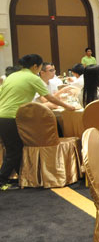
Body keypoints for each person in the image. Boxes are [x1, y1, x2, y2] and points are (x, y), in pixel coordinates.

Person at [0, 54, 76, 190]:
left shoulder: (12, 76)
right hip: (13, 116)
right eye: (40, 66)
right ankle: (2, 180)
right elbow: (48, 98)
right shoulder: (32, 78)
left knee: (16, 148)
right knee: (14, 150)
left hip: (3, 115)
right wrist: (67, 106)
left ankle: (23, 178)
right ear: (35, 66)